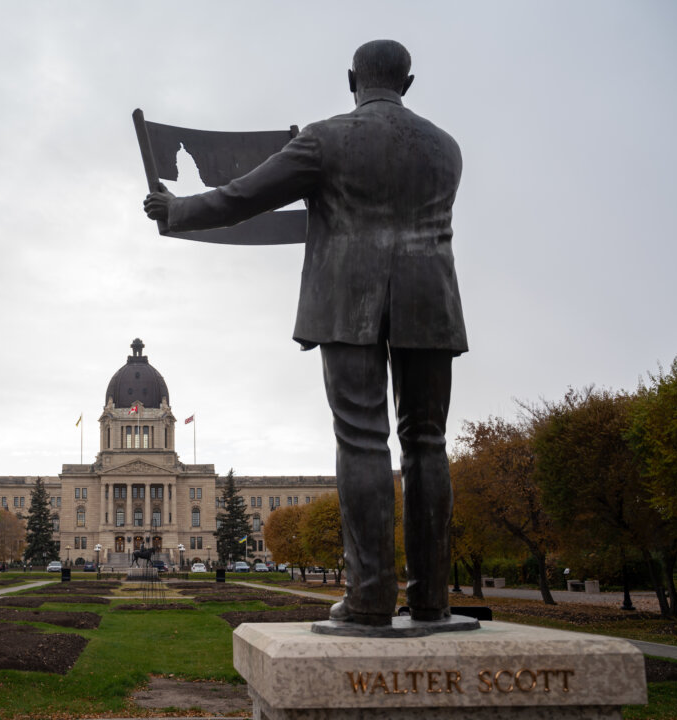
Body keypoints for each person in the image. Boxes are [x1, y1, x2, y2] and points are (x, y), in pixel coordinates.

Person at [144, 40, 466, 626]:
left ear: (351, 79)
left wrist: (177, 209)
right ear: (408, 83)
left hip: (349, 298)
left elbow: (245, 196)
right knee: (427, 443)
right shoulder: (445, 147)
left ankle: (370, 598)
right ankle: (432, 600)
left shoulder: (327, 138)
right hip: (430, 299)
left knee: (362, 439)